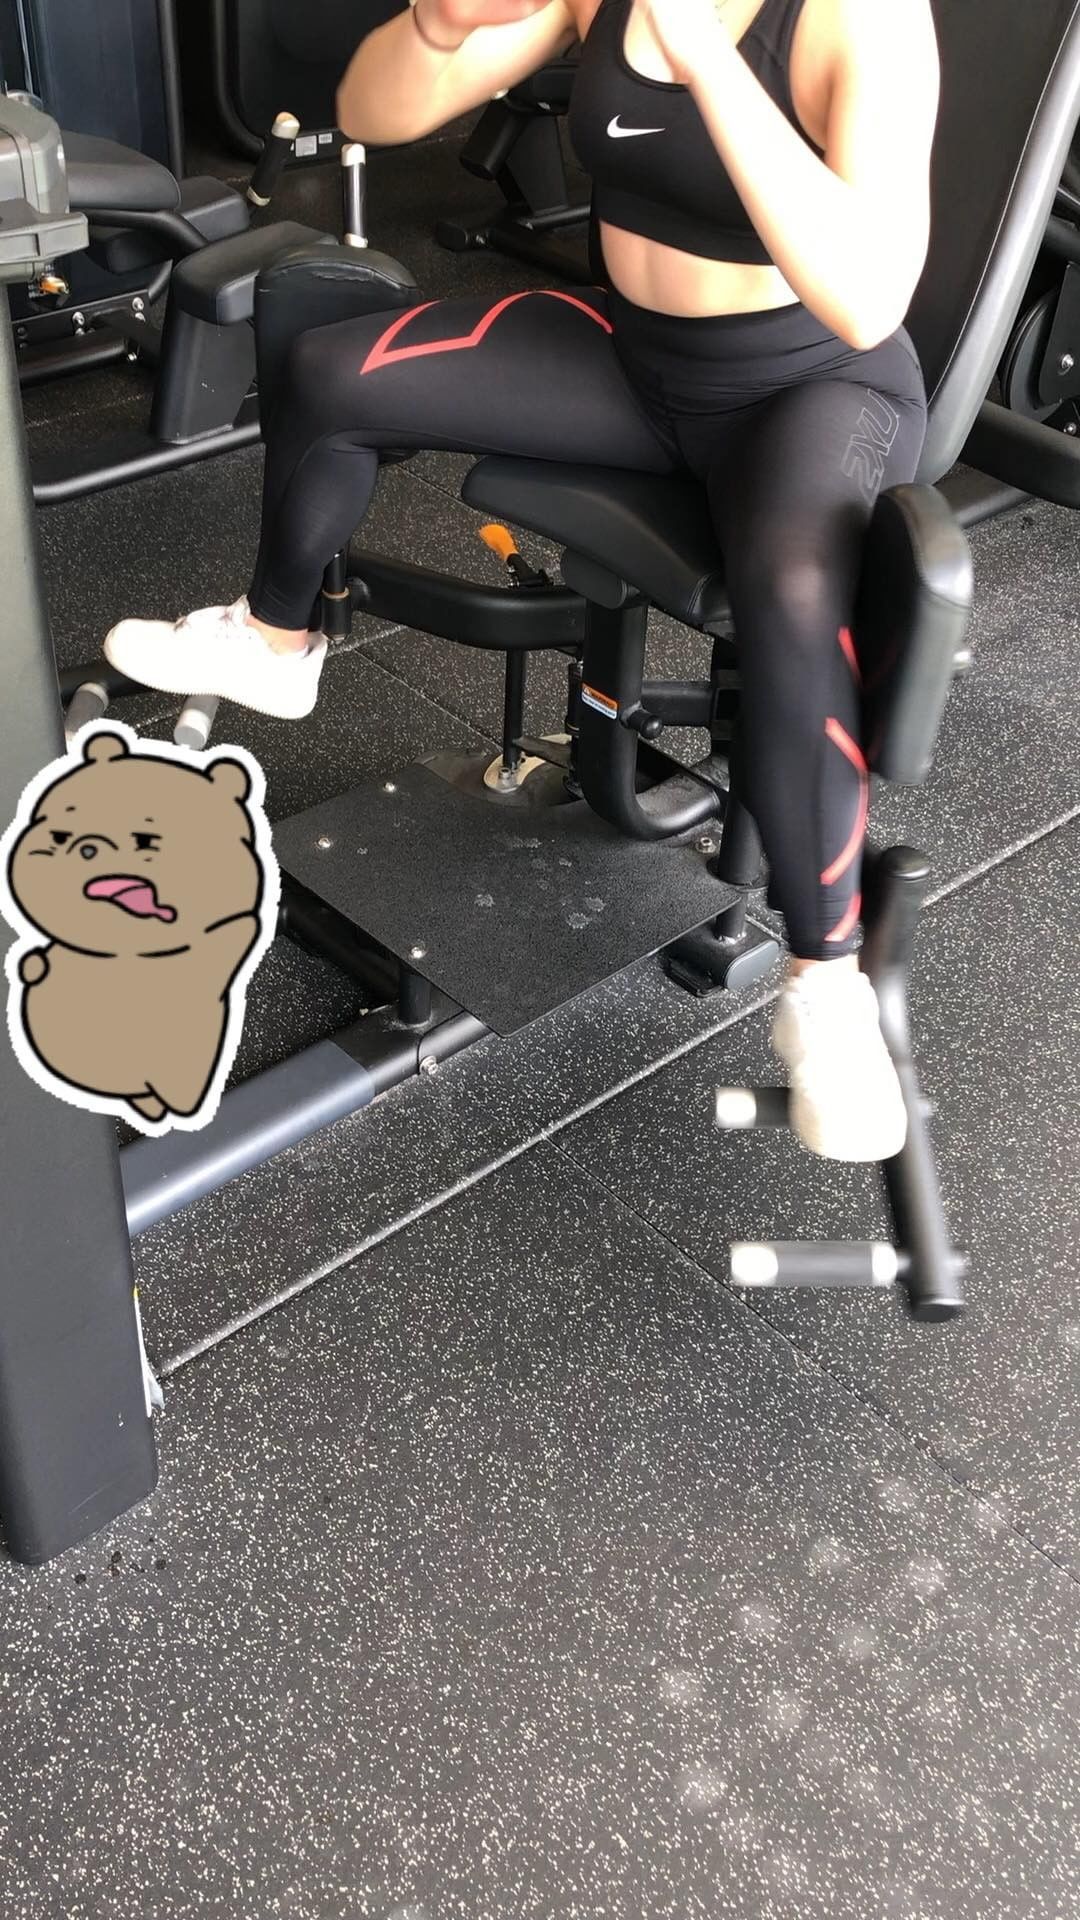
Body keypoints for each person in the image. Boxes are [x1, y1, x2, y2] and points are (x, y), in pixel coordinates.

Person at [105, 0, 941, 1163]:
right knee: (332, 371)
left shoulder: (864, 20)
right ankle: (275, 639)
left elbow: (868, 297)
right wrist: (440, 28)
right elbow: (371, 109)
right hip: (638, 361)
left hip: (812, 388)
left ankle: (824, 983)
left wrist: (708, 59)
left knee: (795, 591)